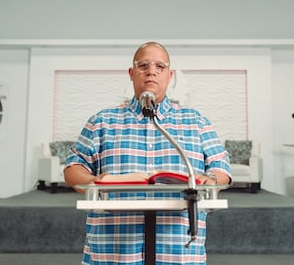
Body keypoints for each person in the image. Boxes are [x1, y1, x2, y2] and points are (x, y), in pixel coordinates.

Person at [64, 41, 232, 265]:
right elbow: (74, 167)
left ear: (169, 75)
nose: (151, 71)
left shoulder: (196, 121)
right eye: (143, 65)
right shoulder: (101, 121)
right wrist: (95, 181)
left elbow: (221, 168)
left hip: (178, 248)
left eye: (159, 66)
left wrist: (207, 181)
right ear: (131, 73)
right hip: (114, 249)